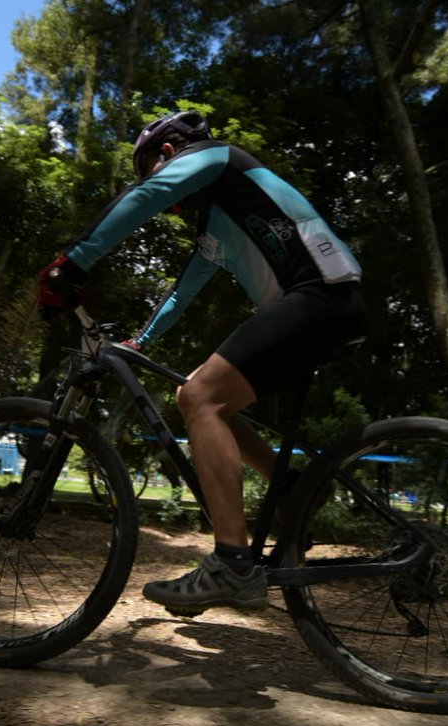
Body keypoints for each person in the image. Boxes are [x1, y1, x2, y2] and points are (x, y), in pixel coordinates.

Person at [37, 110, 369, 613]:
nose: (160, 187)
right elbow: (182, 293)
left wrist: (73, 261)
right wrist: (141, 342)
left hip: (320, 295)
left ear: (169, 154)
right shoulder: (217, 222)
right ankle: (293, 492)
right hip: (320, 307)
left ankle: (233, 564)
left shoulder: (218, 158)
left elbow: (146, 197)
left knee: (199, 398)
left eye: (151, 168)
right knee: (208, 400)